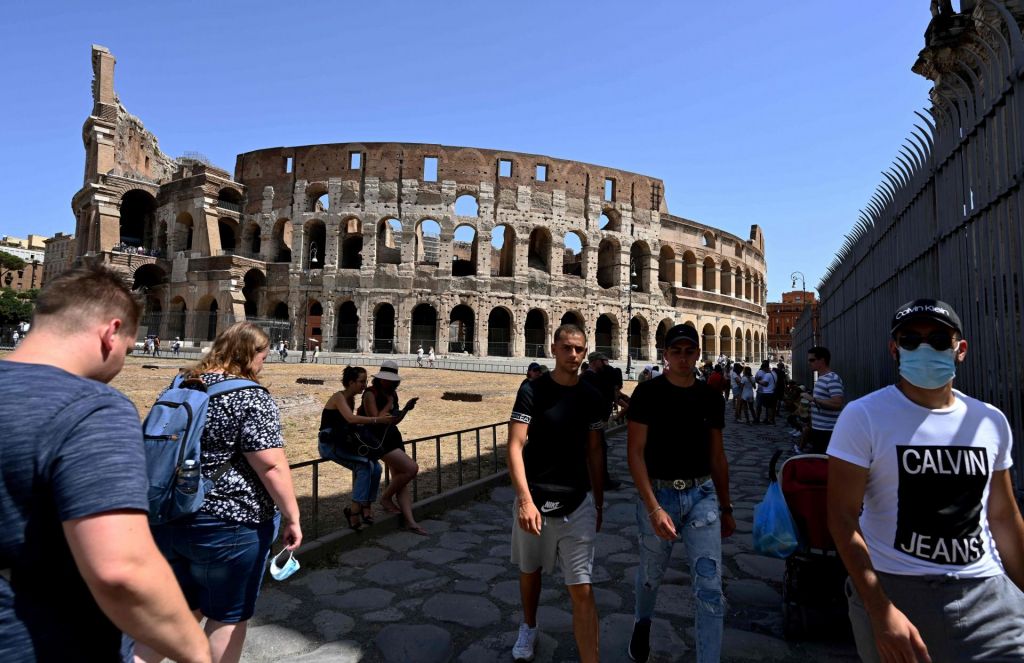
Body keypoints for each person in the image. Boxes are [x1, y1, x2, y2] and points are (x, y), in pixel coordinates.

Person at [0, 265, 210, 663]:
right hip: (42, 642)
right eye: (128, 351)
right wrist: (196, 652)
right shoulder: (91, 408)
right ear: (111, 333)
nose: (121, 366)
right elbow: (121, 571)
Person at [827, 299, 1024, 662]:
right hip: (897, 587)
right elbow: (841, 516)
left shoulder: (989, 421)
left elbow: (1003, 517)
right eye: (910, 340)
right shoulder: (864, 416)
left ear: (959, 349)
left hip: (987, 590)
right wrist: (879, 606)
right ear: (895, 349)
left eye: (937, 339)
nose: (923, 348)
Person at [137, 322, 302, 663]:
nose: (263, 364)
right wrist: (292, 515)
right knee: (227, 617)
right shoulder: (250, 395)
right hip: (230, 522)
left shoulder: (182, 383)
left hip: (171, 512)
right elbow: (270, 465)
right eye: (262, 356)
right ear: (247, 354)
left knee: (174, 615)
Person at [626, 324, 733, 662]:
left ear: (698, 354)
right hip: (658, 496)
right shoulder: (647, 393)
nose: (683, 358)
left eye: (689, 352)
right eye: (677, 352)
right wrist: (653, 507)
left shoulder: (710, 396)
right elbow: (635, 453)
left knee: (710, 586)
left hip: (701, 495)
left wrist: (727, 506)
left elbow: (717, 455)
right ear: (666, 355)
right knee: (649, 578)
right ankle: (642, 623)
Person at [508, 324, 605, 663]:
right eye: (567, 348)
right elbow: (516, 444)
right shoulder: (532, 391)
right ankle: (529, 626)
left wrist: (599, 499)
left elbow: (595, 450)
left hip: (577, 501)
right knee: (530, 571)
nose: (574, 355)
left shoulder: (592, 396)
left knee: (582, 588)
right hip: (534, 497)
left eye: (579, 349)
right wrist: (523, 500)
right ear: (553, 348)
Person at [319, 366, 398, 531]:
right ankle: (354, 511)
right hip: (330, 443)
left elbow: (352, 422)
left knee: (376, 467)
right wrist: (377, 421)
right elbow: (351, 418)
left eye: (366, 381)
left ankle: (366, 505)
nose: (364, 385)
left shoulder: (351, 399)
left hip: (343, 441)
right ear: (351, 382)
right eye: (362, 381)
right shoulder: (338, 397)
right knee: (365, 466)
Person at [358, 361, 426, 535]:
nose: (391, 384)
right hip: (377, 439)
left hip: (392, 436)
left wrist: (405, 410)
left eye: (393, 381)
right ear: (380, 380)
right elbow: (377, 420)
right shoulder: (370, 394)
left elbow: (394, 420)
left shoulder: (392, 394)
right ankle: (386, 498)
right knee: (411, 468)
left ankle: (410, 521)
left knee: (401, 480)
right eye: (388, 380)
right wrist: (388, 404)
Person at [581, 351, 621, 491]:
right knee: (597, 451)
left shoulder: (596, 376)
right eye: (603, 361)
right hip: (591, 422)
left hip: (595, 421)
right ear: (595, 361)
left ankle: (598, 480)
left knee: (598, 450)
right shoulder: (588, 377)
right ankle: (602, 481)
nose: (606, 363)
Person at [802, 346, 844, 453]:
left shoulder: (832, 379)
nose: (809, 363)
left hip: (827, 431)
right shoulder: (821, 378)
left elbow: (837, 403)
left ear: (822, 360)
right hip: (818, 429)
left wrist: (813, 400)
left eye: (812, 360)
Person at [755, 360, 777, 425]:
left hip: (766, 393)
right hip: (772, 392)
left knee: (764, 406)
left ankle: (768, 420)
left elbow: (765, 384)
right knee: (769, 407)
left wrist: (758, 381)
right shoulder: (774, 373)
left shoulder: (767, 374)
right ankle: (769, 419)